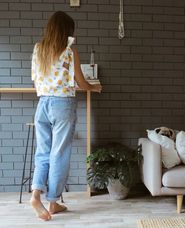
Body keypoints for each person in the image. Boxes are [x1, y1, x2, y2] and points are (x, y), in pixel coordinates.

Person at [30, 11, 102, 221]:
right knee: (59, 154)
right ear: (66, 31)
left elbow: (36, 81)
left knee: (43, 152)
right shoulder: (70, 52)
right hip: (62, 105)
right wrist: (94, 88)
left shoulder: (38, 49)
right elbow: (81, 83)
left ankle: (36, 195)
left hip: (42, 104)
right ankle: (52, 201)